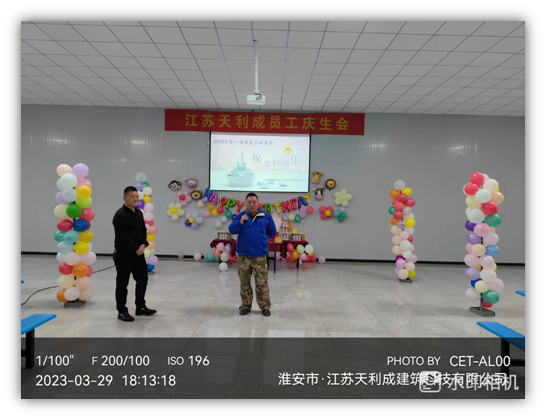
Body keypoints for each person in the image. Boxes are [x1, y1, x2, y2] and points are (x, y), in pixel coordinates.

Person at [112, 186, 157, 321]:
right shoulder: (120, 215)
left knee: (143, 279)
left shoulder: (138, 213)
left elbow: (143, 231)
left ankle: (140, 307)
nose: (135, 199)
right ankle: (122, 311)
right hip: (124, 254)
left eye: (137, 196)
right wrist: (135, 248)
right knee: (122, 283)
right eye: (132, 196)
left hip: (139, 253)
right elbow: (123, 236)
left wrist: (143, 244)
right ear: (124, 197)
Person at [228, 192, 277, 316]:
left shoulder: (265, 216)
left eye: (254, 202)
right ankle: (246, 306)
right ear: (245, 203)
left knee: (261, 282)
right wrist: (241, 222)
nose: (252, 204)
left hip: (259, 255)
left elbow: (272, 232)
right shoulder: (241, 216)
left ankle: (265, 307)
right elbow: (232, 229)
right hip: (244, 255)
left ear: (258, 203)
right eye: (249, 202)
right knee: (244, 282)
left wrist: (261, 239)